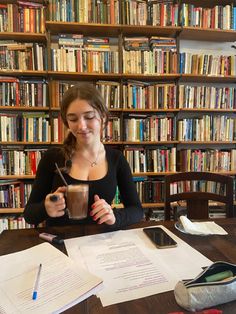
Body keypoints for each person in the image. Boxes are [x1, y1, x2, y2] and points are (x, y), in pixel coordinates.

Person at [24, 83, 143, 229]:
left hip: (100, 243)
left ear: (103, 117)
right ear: (66, 122)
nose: (81, 126)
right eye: (73, 119)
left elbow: (137, 210)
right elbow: (29, 214)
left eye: (89, 117)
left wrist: (114, 217)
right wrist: (45, 208)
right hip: (60, 242)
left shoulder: (116, 159)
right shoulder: (52, 158)